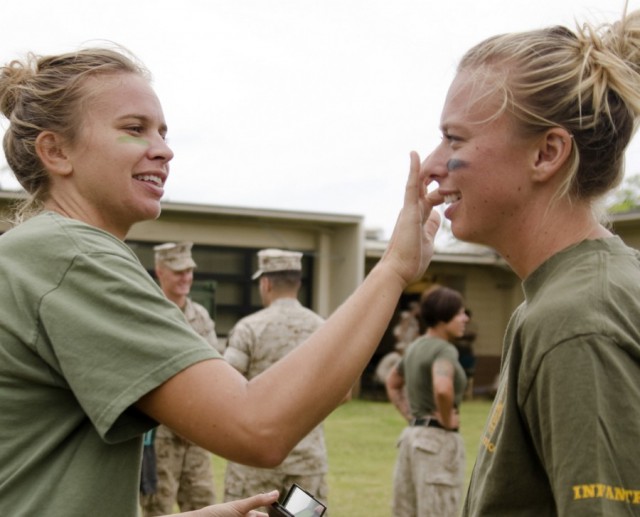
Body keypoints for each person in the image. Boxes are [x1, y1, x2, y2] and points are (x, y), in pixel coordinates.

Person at [0, 46, 441, 516]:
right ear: (56, 151)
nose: (165, 150)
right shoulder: (73, 257)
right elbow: (257, 427)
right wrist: (394, 267)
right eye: (134, 128)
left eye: (163, 133)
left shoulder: (36, 254)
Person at [421, 5, 640, 515]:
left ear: (547, 153)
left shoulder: (577, 321)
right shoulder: (567, 297)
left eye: (455, 139)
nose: (432, 166)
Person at [223, 249, 332, 512]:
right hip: (307, 463)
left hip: (253, 463)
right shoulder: (324, 330)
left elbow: (227, 386)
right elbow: (344, 392)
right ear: (298, 283)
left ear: (266, 283)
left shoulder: (250, 328)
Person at [140, 242, 221, 515]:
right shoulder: (148, 312)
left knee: (204, 503)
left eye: (189, 270)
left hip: (197, 432)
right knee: (157, 508)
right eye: (178, 271)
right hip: (161, 433)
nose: (186, 277)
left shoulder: (201, 316)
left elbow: (213, 368)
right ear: (160, 271)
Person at [385, 286, 468, 517]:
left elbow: (392, 382)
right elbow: (442, 388)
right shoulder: (445, 349)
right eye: (460, 313)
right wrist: (446, 416)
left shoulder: (414, 347)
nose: (465, 319)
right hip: (437, 442)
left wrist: (410, 416)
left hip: (412, 438)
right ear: (443, 317)